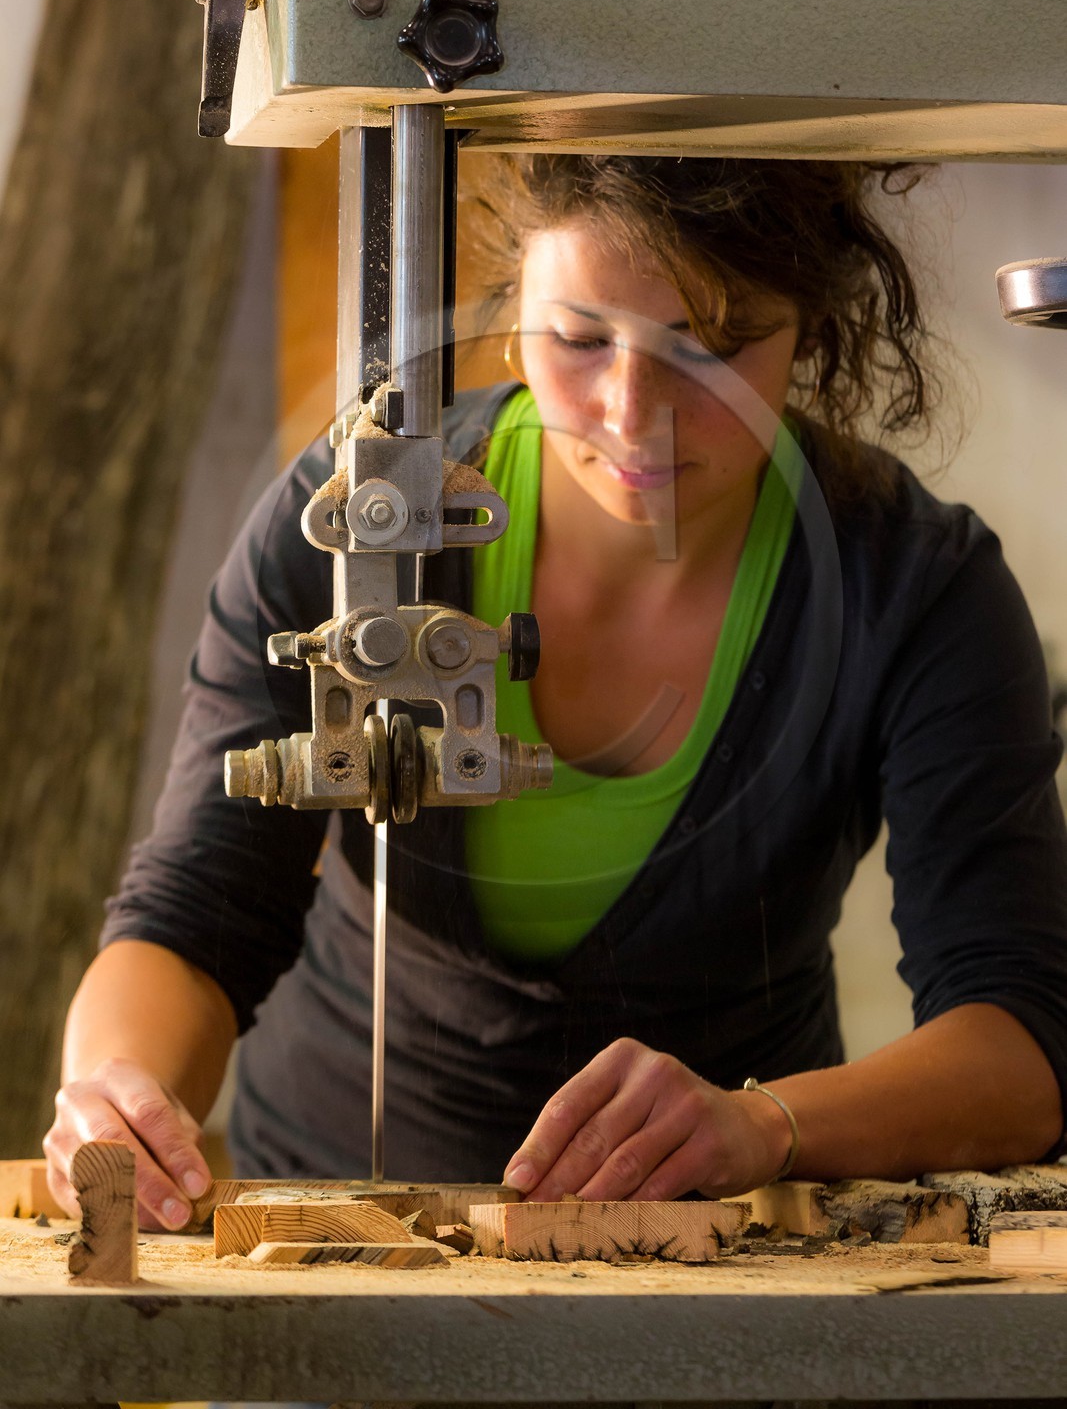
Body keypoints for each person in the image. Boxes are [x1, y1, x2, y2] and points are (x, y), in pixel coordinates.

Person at [45, 155, 1067, 1230]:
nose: (633, 415)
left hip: (728, 1262)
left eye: (712, 349)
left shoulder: (914, 588)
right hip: (328, 1235)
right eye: (578, 341)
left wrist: (760, 1124)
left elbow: (1021, 1040)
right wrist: (120, 1098)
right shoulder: (351, 527)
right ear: (513, 300)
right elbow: (195, 912)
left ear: (809, 323)